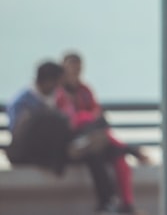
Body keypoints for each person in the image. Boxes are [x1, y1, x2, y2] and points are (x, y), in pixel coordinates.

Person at [6, 60, 119, 212]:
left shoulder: (54, 97)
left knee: (94, 152)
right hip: (35, 151)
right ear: (48, 81)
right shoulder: (23, 101)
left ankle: (106, 202)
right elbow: (20, 134)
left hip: (58, 147)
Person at [57, 51, 147, 214]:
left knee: (118, 157)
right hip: (73, 143)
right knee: (95, 150)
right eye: (71, 68)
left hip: (93, 139)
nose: (75, 72)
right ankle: (106, 201)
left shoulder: (85, 90)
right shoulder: (58, 93)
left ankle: (126, 204)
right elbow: (68, 120)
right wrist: (86, 118)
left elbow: (96, 114)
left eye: (78, 68)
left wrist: (89, 118)